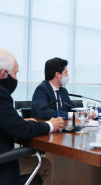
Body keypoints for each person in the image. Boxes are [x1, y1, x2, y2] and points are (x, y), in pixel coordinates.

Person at [0, 49, 64, 185]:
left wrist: (20, 121)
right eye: (15, 73)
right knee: (44, 164)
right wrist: (51, 125)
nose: (16, 78)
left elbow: (5, 120)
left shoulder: (63, 91)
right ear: (3, 73)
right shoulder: (1, 94)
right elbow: (22, 130)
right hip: (2, 167)